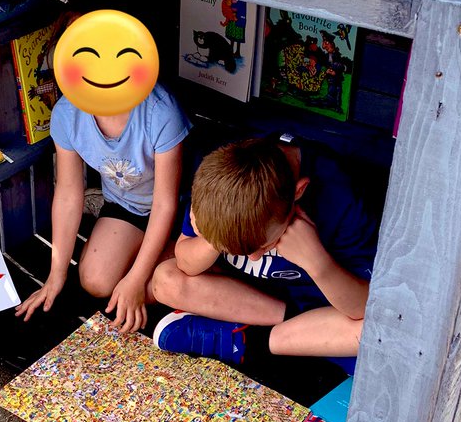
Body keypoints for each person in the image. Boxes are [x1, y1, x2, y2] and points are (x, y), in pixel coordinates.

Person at [16, 12, 190, 335]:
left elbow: (166, 204)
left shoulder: (160, 110)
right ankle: (157, 271)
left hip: (179, 212)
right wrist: (56, 276)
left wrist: (136, 278)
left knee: (151, 283)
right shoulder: (67, 115)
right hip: (126, 209)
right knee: (95, 279)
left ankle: (172, 279)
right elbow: (69, 192)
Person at [150, 132, 377, 370]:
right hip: (260, 301)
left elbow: (366, 307)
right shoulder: (221, 183)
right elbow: (185, 264)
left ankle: (251, 343)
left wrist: (318, 263)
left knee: (375, 331)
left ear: (297, 193)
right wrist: (211, 241)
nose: (255, 258)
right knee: (166, 280)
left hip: (327, 305)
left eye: (264, 245)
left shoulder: (340, 200)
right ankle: (298, 338)